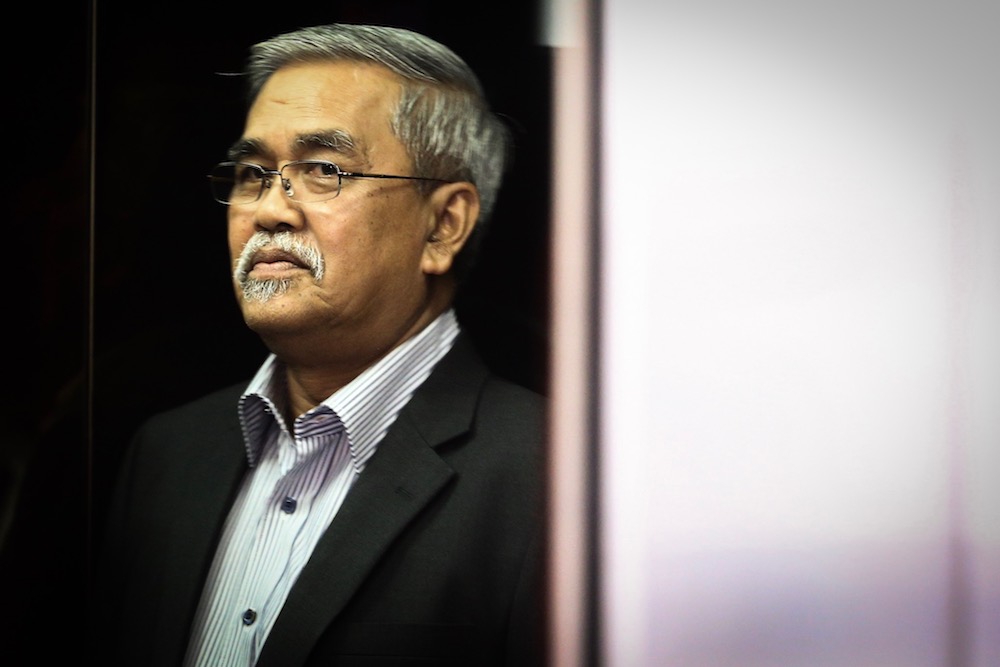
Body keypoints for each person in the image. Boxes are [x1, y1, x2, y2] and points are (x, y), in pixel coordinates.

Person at [92, 23, 546, 667]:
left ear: (444, 225)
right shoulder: (168, 452)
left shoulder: (549, 480)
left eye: (324, 170)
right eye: (253, 173)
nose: (270, 210)